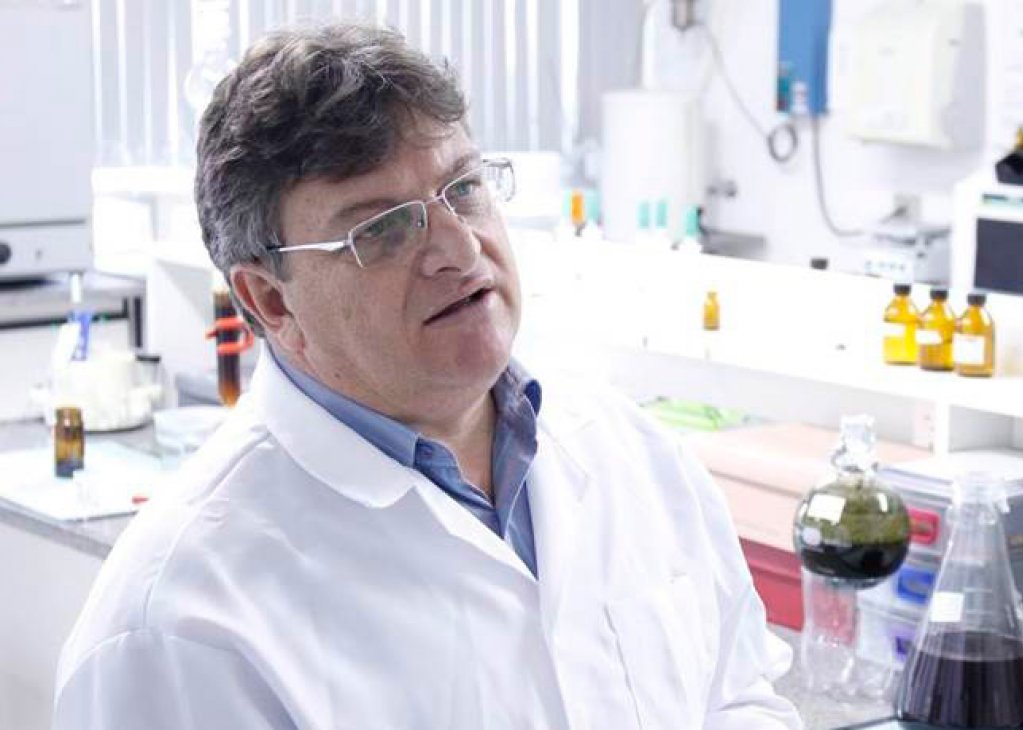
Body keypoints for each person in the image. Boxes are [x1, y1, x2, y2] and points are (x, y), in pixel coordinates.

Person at [54, 22, 801, 729]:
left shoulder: (634, 452)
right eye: (382, 228)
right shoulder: (178, 621)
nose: (458, 249)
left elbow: (737, 694)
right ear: (271, 301)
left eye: (464, 188)